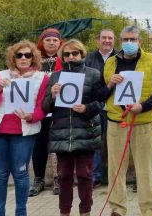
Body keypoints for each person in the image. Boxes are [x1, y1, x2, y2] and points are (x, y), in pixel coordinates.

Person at [103, 25, 152, 216]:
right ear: (120, 42)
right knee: (115, 170)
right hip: (116, 122)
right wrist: (109, 84)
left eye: (133, 40)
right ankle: (117, 209)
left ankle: (149, 210)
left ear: (139, 42)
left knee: (145, 170)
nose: (129, 43)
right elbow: (101, 93)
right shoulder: (110, 63)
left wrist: (143, 106)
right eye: (125, 40)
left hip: (143, 122)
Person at [0, 40, 49, 216]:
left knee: (20, 174)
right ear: (13, 57)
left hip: (24, 133)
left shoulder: (42, 78)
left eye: (28, 55)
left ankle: (21, 212)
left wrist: (32, 117)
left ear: (33, 57)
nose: (23, 58)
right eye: (19, 55)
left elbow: (43, 106)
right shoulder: (0, 75)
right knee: (0, 175)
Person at [42, 39, 106, 216]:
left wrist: (87, 108)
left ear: (82, 54)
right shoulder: (55, 76)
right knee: (64, 177)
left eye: (75, 53)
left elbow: (101, 102)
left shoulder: (93, 74)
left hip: (86, 131)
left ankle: (85, 211)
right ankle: (64, 211)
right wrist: (53, 96)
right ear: (62, 57)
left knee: (86, 175)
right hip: (62, 133)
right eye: (67, 54)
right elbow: (45, 107)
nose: (71, 57)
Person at [30, 27, 63, 197]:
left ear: (60, 43)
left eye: (55, 40)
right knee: (39, 146)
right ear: (42, 42)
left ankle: (59, 178)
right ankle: (39, 179)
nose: (51, 43)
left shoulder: (65, 59)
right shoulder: (33, 60)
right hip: (40, 109)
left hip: (59, 109)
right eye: (48, 40)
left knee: (58, 146)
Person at [84, 28, 116, 188]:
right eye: (104, 38)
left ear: (114, 41)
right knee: (95, 142)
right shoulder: (88, 58)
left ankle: (115, 176)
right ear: (98, 40)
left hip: (115, 106)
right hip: (95, 106)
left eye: (110, 38)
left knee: (114, 142)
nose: (107, 41)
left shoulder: (120, 58)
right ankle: (95, 176)